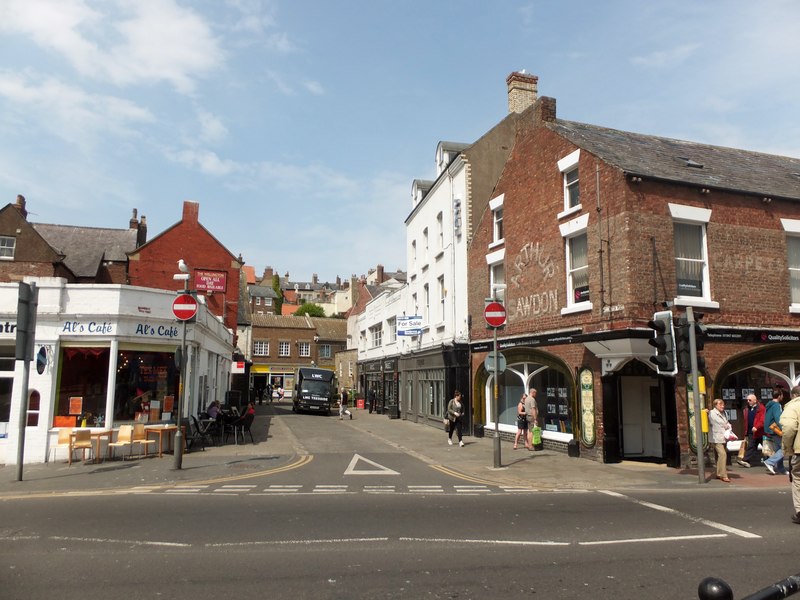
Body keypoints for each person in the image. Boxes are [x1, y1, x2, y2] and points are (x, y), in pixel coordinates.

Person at [779, 385, 800, 524]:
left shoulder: (793, 406)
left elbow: (789, 428)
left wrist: (788, 447)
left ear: (793, 395)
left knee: (798, 478)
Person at [764, 388, 788, 475]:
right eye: (782, 395)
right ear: (779, 396)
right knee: (785, 448)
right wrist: (783, 429)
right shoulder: (777, 405)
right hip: (775, 430)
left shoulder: (769, 405)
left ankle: (781, 468)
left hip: (770, 429)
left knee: (779, 448)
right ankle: (770, 462)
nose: (783, 397)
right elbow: (778, 419)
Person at [737, 393, 765, 468]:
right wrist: (746, 431)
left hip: (760, 432)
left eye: (750, 400)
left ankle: (772, 460)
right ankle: (746, 460)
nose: (748, 401)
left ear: (755, 401)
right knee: (751, 446)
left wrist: (757, 426)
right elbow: (746, 421)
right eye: (747, 400)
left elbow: (762, 419)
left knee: (766, 447)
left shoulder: (761, 408)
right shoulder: (747, 409)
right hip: (751, 432)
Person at [708, 398, 732, 482]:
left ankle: (718, 473)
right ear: (715, 405)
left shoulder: (724, 413)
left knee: (720, 456)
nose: (722, 406)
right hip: (716, 437)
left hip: (723, 437)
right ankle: (723, 475)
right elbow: (717, 422)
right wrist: (725, 425)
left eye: (723, 404)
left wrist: (728, 425)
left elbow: (726, 422)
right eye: (720, 404)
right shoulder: (712, 413)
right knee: (723, 454)